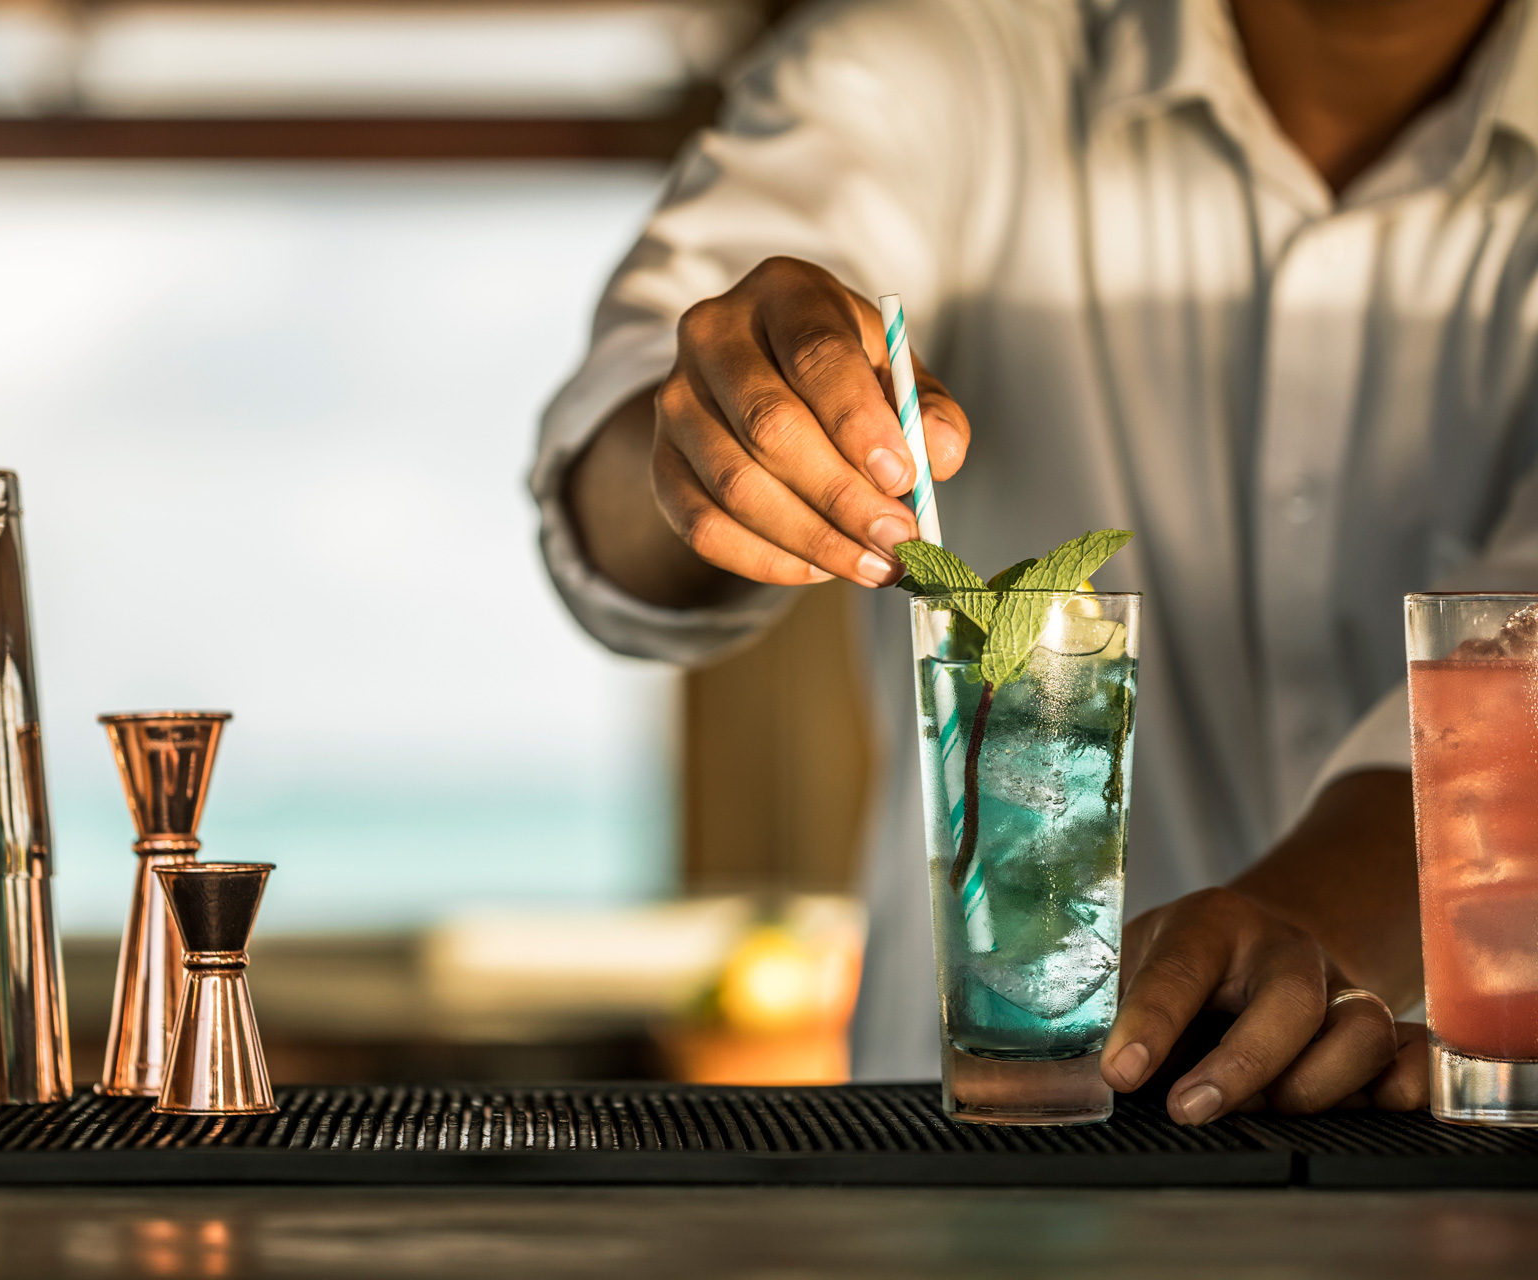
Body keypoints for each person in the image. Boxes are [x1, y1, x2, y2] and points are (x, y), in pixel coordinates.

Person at [531, 0, 1538, 1123]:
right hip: (980, 1156)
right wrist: (710, 441)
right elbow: (613, 480)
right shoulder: (944, 52)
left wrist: (1306, 935)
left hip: (1445, 1155)